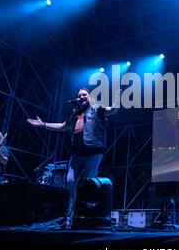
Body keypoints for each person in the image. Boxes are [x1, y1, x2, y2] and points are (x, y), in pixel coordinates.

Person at [27, 87, 119, 229]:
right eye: (79, 95)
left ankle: (86, 217)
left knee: (87, 184)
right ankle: (70, 217)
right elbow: (62, 126)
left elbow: (112, 110)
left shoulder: (97, 108)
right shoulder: (76, 113)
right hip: (76, 153)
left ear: (90, 97)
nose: (81, 97)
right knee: (70, 182)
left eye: (84, 94)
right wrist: (43, 124)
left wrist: (117, 100)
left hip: (93, 151)